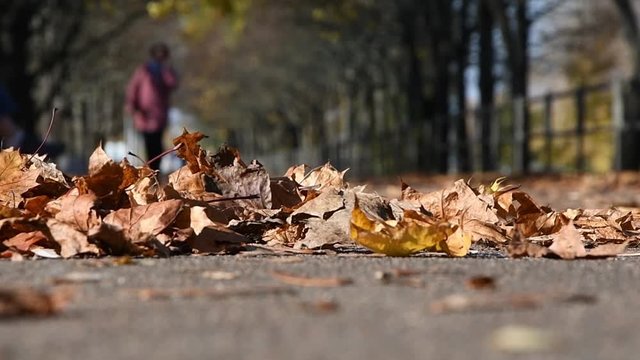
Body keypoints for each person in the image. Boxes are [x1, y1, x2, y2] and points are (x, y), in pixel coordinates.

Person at [125, 42, 178, 171]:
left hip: (159, 116)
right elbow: (133, 88)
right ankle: (150, 170)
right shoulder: (143, 70)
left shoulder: (165, 71)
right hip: (144, 115)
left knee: (157, 145)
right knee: (149, 143)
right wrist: (131, 105)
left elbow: (172, 83)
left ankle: (155, 170)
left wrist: (166, 69)